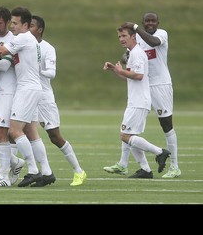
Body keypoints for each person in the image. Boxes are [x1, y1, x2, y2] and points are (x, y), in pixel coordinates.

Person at [0, 6, 53, 187]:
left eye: (16, 23)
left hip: (26, 89)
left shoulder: (24, 38)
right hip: (31, 88)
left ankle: (32, 170)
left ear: (25, 24)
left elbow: (0, 51)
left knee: (14, 131)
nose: (12, 27)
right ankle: (47, 172)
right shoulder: (28, 39)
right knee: (32, 133)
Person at [105, 12, 181, 179]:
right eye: (147, 21)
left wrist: (135, 28)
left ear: (158, 22)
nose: (150, 23)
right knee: (130, 128)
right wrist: (125, 58)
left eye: (153, 20)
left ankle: (174, 166)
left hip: (160, 85)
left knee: (166, 125)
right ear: (143, 22)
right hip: (143, 86)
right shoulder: (137, 40)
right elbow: (126, 55)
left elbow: (153, 43)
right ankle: (125, 164)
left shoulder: (161, 34)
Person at [29, 15, 87, 186]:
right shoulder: (23, 45)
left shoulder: (47, 48)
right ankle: (39, 171)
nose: (28, 28)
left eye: (31, 26)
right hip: (26, 96)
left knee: (54, 136)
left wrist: (35, 70)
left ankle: (79, 171)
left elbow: (51, 73)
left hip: (43, 97)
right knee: (22, 133)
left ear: (39, 29)